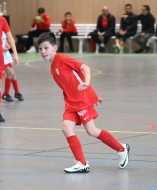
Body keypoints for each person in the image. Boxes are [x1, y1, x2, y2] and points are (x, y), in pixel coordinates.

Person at [37, 32, 130, 173]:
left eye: (46, 48)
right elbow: (71, 83)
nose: (43, 52)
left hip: (80, 101)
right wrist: (92, 95)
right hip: (70, 102)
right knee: (66, 128)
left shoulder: (63, 60)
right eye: (40, 49)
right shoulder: (52, 67)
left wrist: (87, 86)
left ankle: (121, 149)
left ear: (54, 48)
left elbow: (84, 68)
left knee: (92, 131)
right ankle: (81, 162)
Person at [1, 32, 24, 102]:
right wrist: (1, 48)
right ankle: (5, 94)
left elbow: (5, 40)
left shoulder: (3, 29)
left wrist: (7, 45)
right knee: (10, 73)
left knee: (13, 74)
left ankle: (17, 92)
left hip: (6, 54)